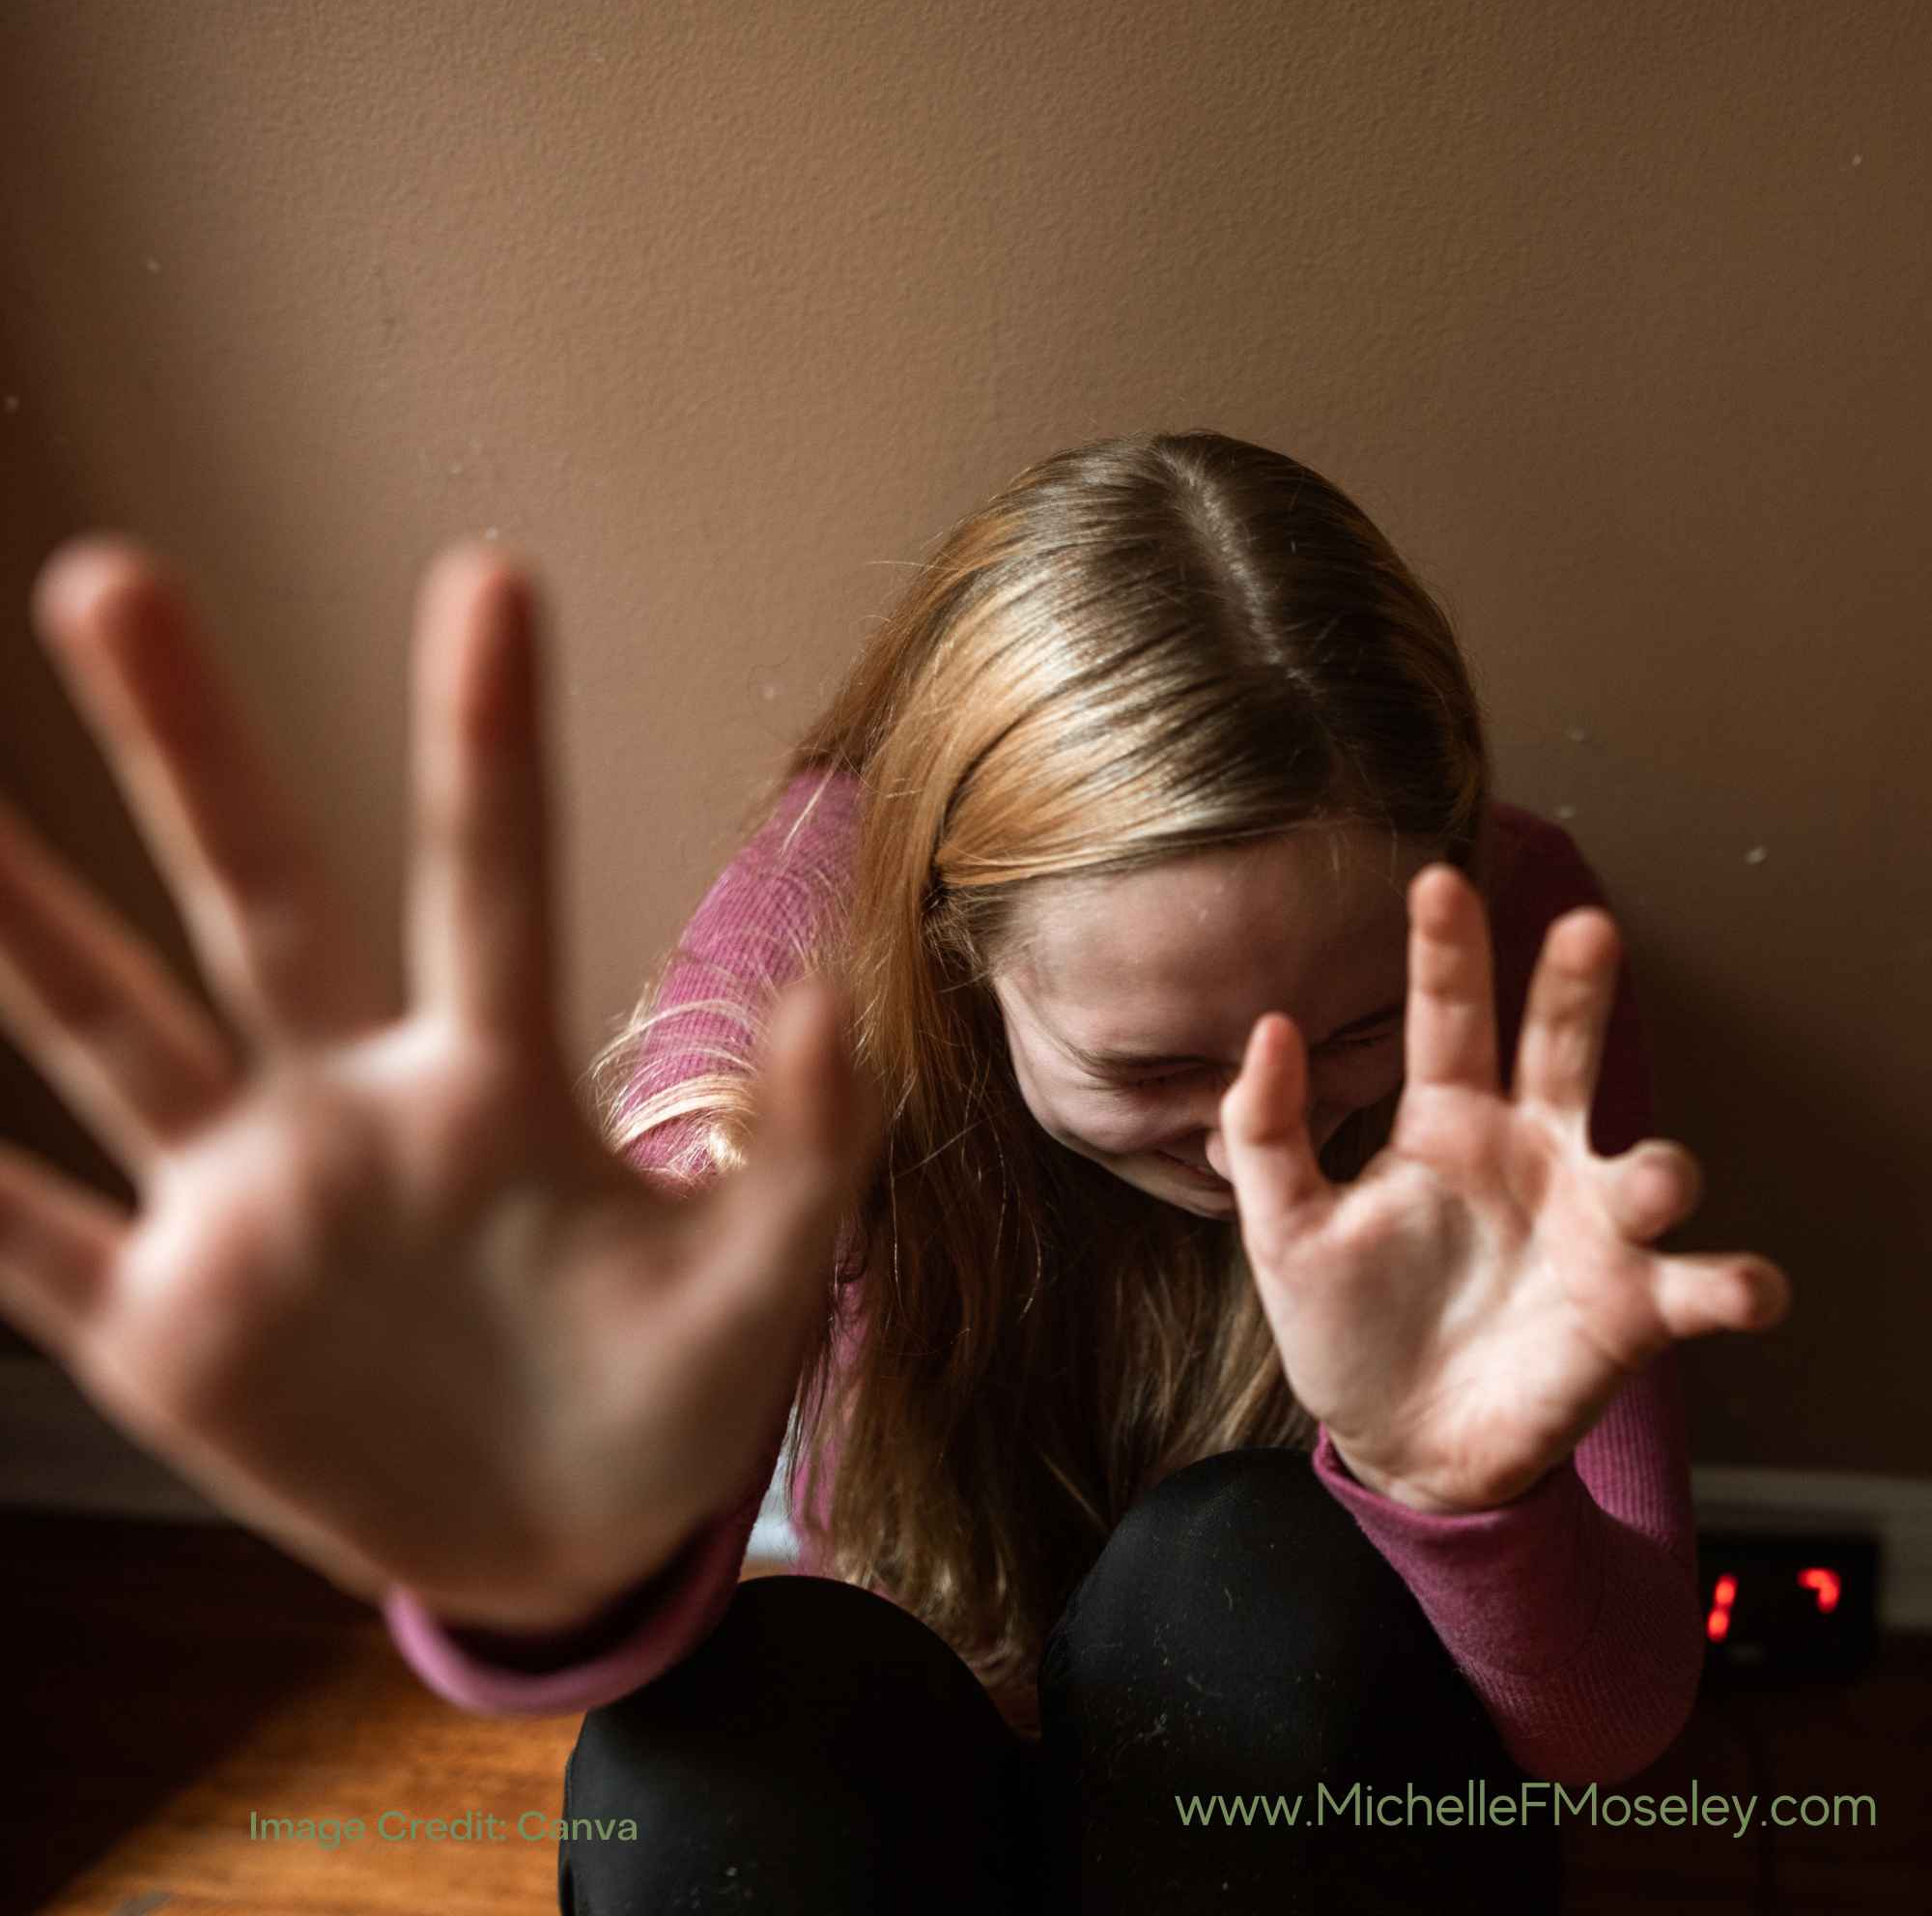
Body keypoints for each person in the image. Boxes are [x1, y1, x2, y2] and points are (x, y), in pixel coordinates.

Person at [0, 430, 1789, 1913]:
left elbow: (1611, 1722)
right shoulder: (813, 966)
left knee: (1247, 1579)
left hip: (1296, 1788)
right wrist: (576, 1564)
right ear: (955, 957)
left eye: (1357, 1029)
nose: (1269, 1122)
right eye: (1153, 1062)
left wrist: (1459, 1491)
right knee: (714, 1762)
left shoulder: (1517, 944)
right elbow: (641, 1613)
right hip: (911, 1713)